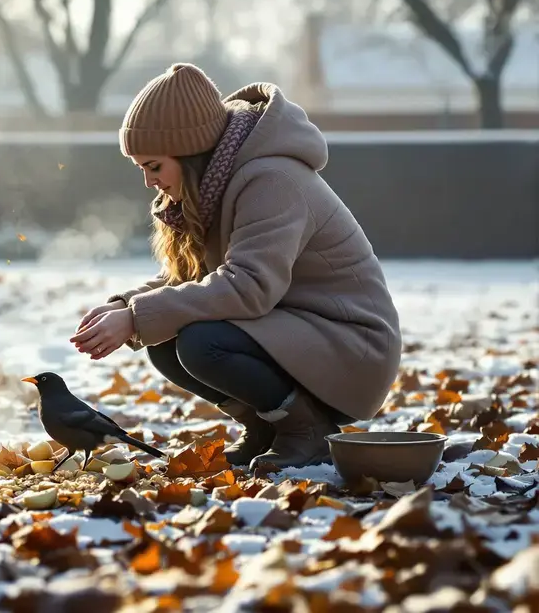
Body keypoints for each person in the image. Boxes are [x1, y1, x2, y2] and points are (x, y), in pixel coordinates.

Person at [69, 63, 401, 470]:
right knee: (166, 339)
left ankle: (305, 432)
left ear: (190, 152)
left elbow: (249, 286)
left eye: (154, 166)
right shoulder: (216, 185)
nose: (147, 182)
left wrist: (137, 317)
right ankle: (266, 430)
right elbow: (192, 282)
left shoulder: (271, 180)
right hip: (299, 332)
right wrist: (127, 307)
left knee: (199, 341)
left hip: (351, 349)